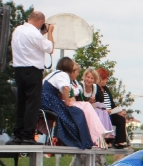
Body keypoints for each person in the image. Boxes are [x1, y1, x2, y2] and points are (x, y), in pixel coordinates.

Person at [10, 11, 55, 145]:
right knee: (32, 103)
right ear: (40, 22)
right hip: (33, 70)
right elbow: (50, 48)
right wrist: (50, 32)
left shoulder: (17, 31)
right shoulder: (35, 34)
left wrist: (41, 34)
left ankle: (18, 133)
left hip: (19, 69)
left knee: (22, 102)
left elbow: (32, 43)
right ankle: (28, 135)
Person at [40, 57, 93, 149]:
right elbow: (65, 88)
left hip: (42, 101)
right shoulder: (63, 74)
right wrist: (67, 102)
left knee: (70, 112)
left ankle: (68, 139)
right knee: (77, 112)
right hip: (49, 100)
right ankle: (79, 141)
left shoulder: (52, 74)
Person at [96, 68, 130, 149]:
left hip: (110, 112)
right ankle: (107, 140)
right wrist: (104, 110)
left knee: (121, 119)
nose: (107, 80)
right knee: (105, 119)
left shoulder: (106, 89)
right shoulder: (96, 89)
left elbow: (111, 103)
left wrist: (119, 111)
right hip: (102, 113)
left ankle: (119, 141)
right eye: (106, 78)